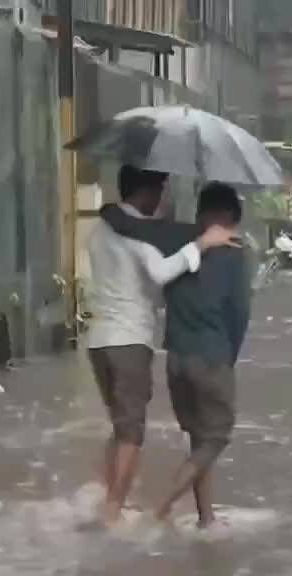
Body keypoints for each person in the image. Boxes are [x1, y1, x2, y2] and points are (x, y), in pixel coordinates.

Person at [87, 166, 236, 525]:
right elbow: (161, 272)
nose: (162, 198)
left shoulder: (99, 229)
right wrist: (202, 243)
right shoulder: (139, 235)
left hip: (98, 340)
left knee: (120, 426)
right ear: (146, 190)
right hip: (128, 340)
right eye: (160, 189)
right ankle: (112, 513)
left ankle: (108, 501)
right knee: (131, 433)